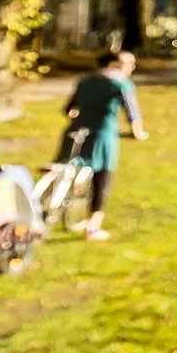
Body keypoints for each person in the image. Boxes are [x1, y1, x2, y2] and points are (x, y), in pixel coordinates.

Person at [60, 48, 148, 240]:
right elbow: (133, 113)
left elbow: (68, 109)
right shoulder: (122, 84)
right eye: (128, 64)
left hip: (75, 131)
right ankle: (93, 227)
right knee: (102, 178)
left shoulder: (85, 80)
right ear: (114, 64)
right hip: (102, 133)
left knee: (61, 168)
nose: (132, 67)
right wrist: (138, 133)